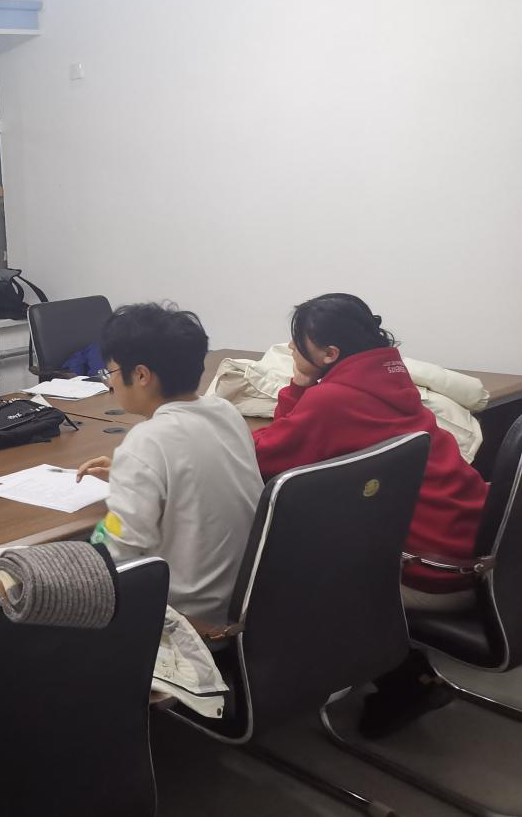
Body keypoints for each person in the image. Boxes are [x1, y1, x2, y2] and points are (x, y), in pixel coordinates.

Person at [250, 292, 488, 737]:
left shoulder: (333, 400)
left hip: (436, 575)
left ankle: (402, 681)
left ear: (329, 353)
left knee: (289, 567)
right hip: (481, 554)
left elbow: (266, 456)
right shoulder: (392, 381)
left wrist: (298, 385)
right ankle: (406, 673)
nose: (293, 350)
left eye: (298, 343)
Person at [74, 303, 262, 624]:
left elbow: (118, 551)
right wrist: (132, 477)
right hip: (247, 601)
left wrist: (89, 544)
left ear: (141, 375)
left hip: (185, 616)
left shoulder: (147, 442)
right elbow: (196, 474)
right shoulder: (225, 412)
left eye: (112, 372)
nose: (110, 384)